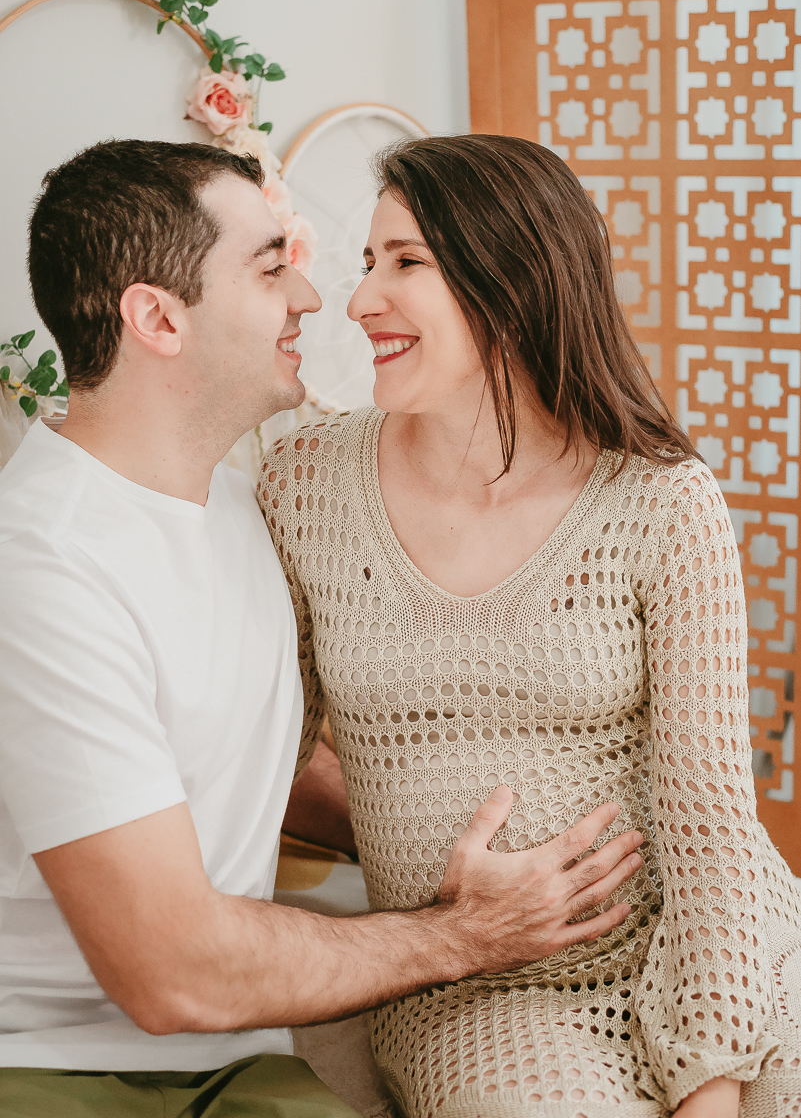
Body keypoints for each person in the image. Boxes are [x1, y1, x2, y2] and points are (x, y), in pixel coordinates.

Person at [0, 139, 644, 1118]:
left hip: (235, 1058)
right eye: (270, 267)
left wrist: (514, 850)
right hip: (56, 1064)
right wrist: (466, 933)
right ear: (159, 318)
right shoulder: (43, 568)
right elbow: (174, 976)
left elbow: (231, 754)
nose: (315, 297)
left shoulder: (244, 502)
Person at [258, 134, 801, 1118]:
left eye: (405, 262)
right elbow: (260, 758)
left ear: (510, 277)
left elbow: (711, 818)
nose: (360, 298)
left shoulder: (662, 501)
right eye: (366, 263)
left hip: (706, 940)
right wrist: (420, 879)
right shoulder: (303, 485)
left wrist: (712, 1081)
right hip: (478, 988)